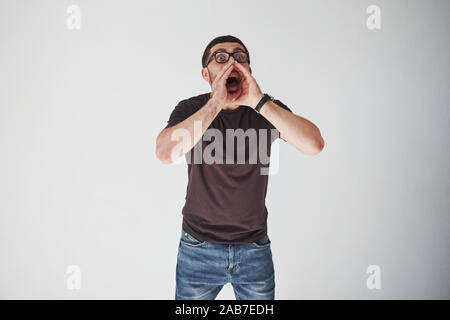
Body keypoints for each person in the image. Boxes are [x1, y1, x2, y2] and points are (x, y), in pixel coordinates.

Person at [155, 35, 325, 300]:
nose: (231, 63)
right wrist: (216, 102)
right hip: (197, 247)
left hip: (254, 249)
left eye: (239, 57)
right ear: (205, 72)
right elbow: (165, 153)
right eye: (220, 58)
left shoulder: (267, 110)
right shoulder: (191, 108)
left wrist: (259, 101)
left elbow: (313, 144)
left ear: (249, 70)